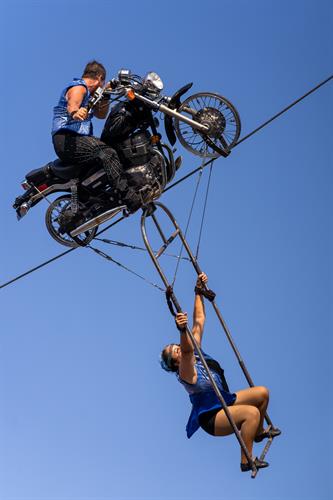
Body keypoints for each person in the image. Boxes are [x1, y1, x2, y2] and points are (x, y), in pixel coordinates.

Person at [160, 273, 281, 472]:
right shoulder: (185, 371)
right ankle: (246, 461)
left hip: (223, 399)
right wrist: (182, 330)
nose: (179, 348)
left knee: (262, 394)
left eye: (176, 346)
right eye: (175, 352)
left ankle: (258, 433)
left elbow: (199, 320)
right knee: (251, 413)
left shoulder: (196, 350)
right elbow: (187, 349)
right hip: (212, 417)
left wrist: (198, 291)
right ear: (176, 363)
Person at [51, 60, 139, 209]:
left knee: (112, 149)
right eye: (102, 81)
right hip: (66, 140)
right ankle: (128, 197)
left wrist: (105, 94)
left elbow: (101, 114)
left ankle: (99, 198)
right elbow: (72, 103)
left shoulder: (91, 95)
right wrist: (75, 112)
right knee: (107, 153)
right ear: (99, 77)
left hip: (78, 140)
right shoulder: (79, 87)